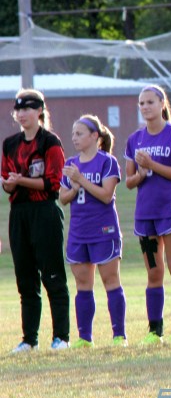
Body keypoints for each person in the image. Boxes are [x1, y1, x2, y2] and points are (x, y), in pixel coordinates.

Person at [2, 89, 70, 352]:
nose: (22, 114)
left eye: (28, 108)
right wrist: (10, 183)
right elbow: (7, 182)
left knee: (53, 276)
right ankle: (29, 339)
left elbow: (53, 184)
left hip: (44, 212)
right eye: (18, 109)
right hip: (19, 213)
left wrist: (20, 180)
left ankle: (61, 337)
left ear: (40, 111)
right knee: (25, 279)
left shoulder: (49, 142)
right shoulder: (10, 144)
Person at [124, 84, 171, 344]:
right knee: (154, 273)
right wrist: (141, 174)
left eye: (150, 102)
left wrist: (152, 164)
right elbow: (129, 181)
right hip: (146, 214)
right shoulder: (134, 139)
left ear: (162, 104)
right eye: (141, 103)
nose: (145, 107)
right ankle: (155, 332)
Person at [60, 115, 128, 347]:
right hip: (79, 232)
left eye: (79, 134)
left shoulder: (107, 162)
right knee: (82, 285)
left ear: (94, 136)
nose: (74, 138)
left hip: (103, 230)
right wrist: (74, 187)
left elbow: (106, 195)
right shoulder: (71, 163)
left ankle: (119, 336)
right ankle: (85, 338)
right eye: (73, 134)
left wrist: (81, 179)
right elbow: (63, 198)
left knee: (111, 280)